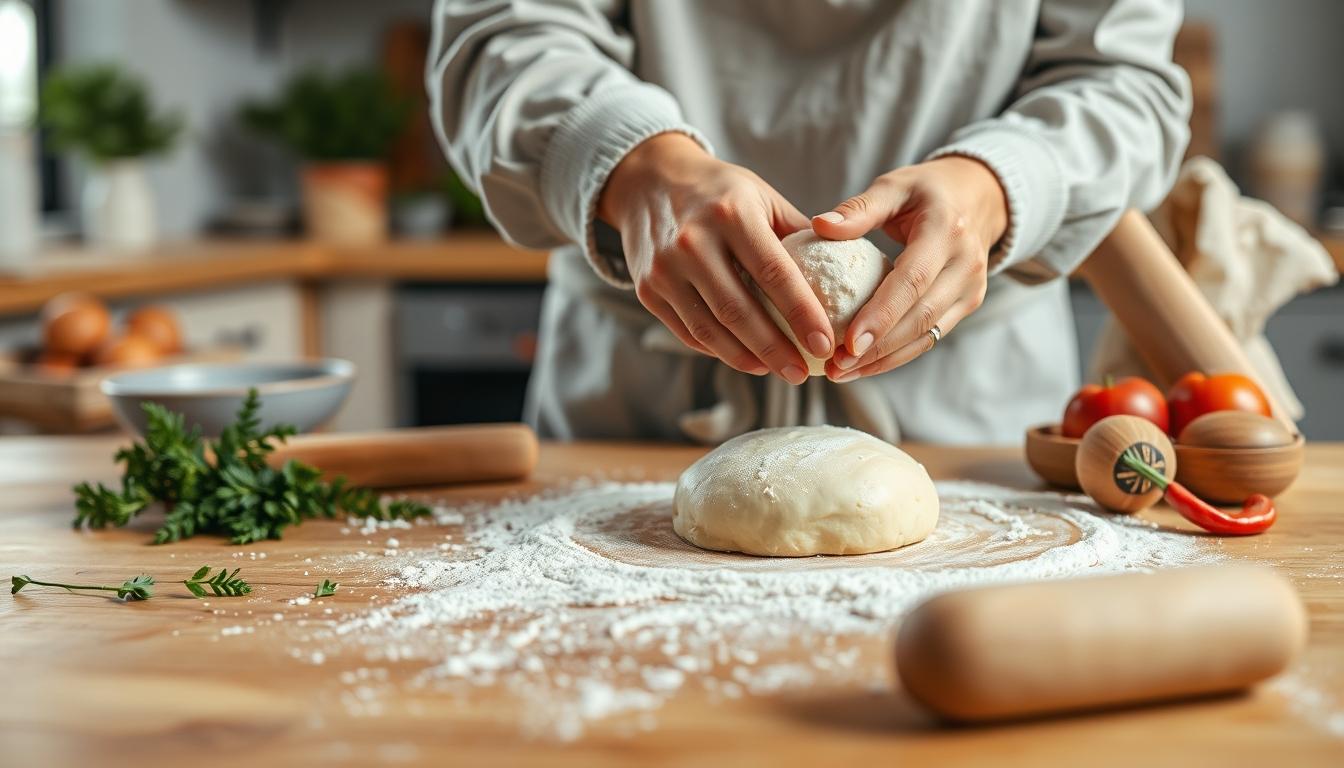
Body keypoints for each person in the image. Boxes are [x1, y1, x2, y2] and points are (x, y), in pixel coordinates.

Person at [428, 0, 1191, 444]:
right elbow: (504, 35)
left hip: (969, 426)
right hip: (639, 421)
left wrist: (997, 184)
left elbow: (1126, 79)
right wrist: (636, 168)